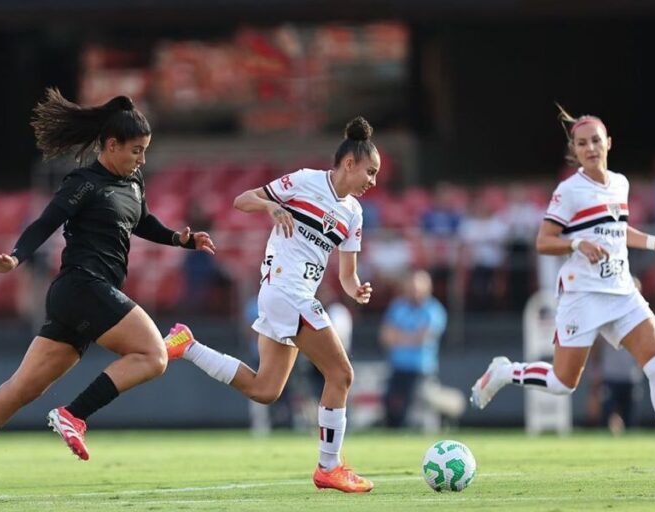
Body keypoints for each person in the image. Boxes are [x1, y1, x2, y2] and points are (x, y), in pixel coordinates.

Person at [0, 89, 215, 504]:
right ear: (111, 145)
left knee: (23, 387)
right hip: (83, 286)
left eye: (145, 151)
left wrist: (180, 239)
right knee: (153, 355)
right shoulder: (84, 183)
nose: (141, 159)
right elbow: (45, 222)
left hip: (81, 298)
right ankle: (74, 415)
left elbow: (141, 221)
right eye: (135, 151)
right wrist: (15, 258)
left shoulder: (132, 181)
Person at [470, 106, 655, 469]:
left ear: (608, 142)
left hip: (621, 289)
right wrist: (576, 244)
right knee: (563, 382)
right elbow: (543, 240)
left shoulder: (620, 183)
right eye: (582, 143)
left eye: (596, 140)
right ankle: (506, 371)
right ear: (575, 150)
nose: (590, 147)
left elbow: (618, 230)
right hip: (582, 294)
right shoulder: (569, 191)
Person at [166, 117, 379, 493]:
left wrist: (356, 288)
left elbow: (347, 274)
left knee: (266, 389)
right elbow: (241, 199)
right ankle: (328, 467)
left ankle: (189, 346)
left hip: (292, 295)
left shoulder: (353, 214)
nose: (372, 181)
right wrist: (271, 207)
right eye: (370, 172)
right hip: (285, 290)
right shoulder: (305, 181)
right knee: (341, 375)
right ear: (350, 163)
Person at [379, 270, 447, 429]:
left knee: (414, 410)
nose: (414, 291)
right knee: (390, 404)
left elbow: (422, 338)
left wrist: (399, 337)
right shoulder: (397, 306)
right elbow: (385, 337)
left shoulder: (434, 310)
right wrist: (409, 337)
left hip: (420, 369)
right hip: (398, 367)